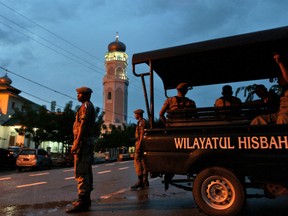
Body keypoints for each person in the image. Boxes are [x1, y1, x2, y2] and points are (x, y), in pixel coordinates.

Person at [66, 86, 96, 213]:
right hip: (84, 142)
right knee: (85, 170)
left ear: (85, 95)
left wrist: (77, 142)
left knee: (81, 171)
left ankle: (82, 201)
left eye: (79, 94)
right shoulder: (86, 106)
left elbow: (83, 125)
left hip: (83, 142)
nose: (77, 96)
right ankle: (85, 199)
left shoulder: (86, 106)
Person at [251, 53, 288, 125]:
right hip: (279, 114)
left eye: (280, 78)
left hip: (284, 115)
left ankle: (278, 136)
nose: (278, 81)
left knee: (282, 118)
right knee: (258, 120)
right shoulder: (281, 92)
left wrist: (280, 63)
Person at [131, 109, 148, 190]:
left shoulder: (141, 122)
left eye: (135, 114)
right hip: (141, 143)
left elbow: (142, 134)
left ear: (139, 114)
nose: (135, 116)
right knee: (143, 162)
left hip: (140, 144)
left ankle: (140, 181)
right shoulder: (142, 122)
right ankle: (145, 181)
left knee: (137, 161)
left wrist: (139, 145)